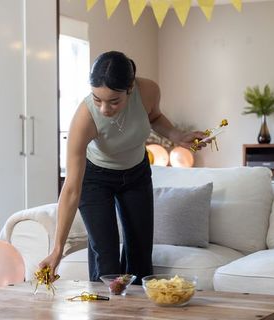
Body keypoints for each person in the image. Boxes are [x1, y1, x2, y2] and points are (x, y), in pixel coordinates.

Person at [39, 51, 207, 284]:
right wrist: (57, 250)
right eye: (97, 99)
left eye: (113, 101)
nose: (105, 109)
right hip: (95, 178)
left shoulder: (148, 91)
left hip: (136, 174)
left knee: (140, 256)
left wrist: (177, 135)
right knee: (106, 259)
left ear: (130, 88)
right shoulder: (85, 118)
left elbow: (155, 116)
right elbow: (71, 190)